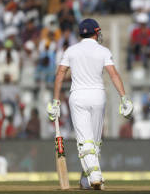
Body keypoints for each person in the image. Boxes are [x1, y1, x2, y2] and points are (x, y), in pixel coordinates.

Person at [47, 18, 133, 190]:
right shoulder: (103, 51)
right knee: (94, 142)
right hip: (97, 96)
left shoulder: (71, 50)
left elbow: (59, 75)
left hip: (78, 96)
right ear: (96, 32)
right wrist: (124, 97)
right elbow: (114, 74)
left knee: (87, 142)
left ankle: (92, 177)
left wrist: (55, 101)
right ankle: (92, 178)